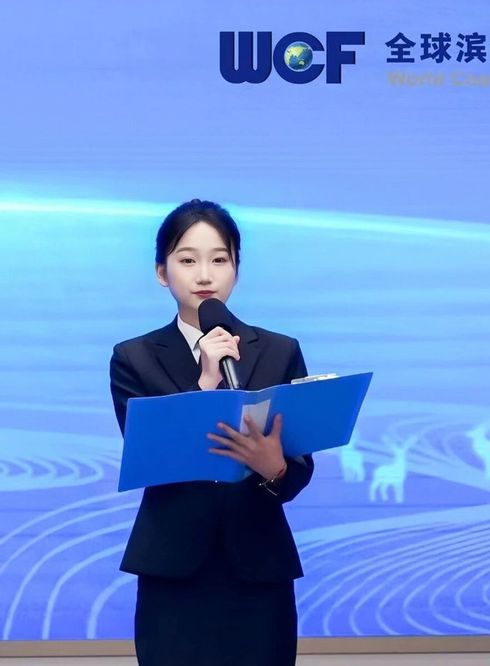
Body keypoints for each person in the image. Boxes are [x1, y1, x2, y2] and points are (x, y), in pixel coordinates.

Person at [109, 199, 314, 665]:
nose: (205, 275)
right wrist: (204, 383)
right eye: (187, 260)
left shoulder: (280, 350)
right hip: (173, 567)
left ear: (236, 269)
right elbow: (149, 456)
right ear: (162, 272)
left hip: (259, 569)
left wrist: (275, 468)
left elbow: (299, 470)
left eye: (219, 259)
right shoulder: (134, 357)